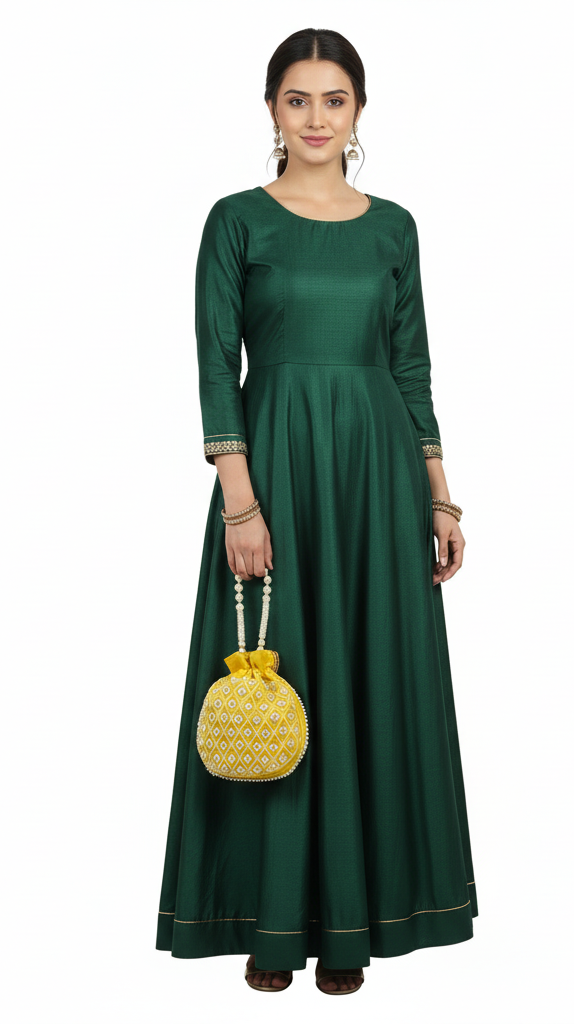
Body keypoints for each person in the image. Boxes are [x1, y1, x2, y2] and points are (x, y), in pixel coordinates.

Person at [156, 27, 477, 996]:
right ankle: (270, 926)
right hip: (279, 471)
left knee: (369, 679)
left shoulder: (394, 229)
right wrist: (239, 502)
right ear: (270, 109)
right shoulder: (235, 222)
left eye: (333, 100)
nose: (315, 118)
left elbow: (412, 367)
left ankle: (353, 928)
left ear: (359, 111)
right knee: (279, 678)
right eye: (297, 99)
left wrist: (439, 495)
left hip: (378, 476)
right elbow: (216, 364)